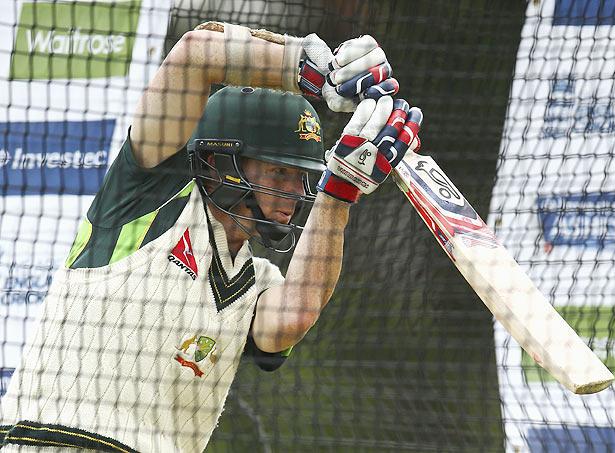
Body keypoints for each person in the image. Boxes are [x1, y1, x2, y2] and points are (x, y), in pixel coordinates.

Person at [0, 22, 422, 452]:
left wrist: (340, 190)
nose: (296, 193)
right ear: (221, 161)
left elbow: (293, 317)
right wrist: (312, 69)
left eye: (304, 178)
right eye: (279, 171)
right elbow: (197, 55)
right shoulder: (148, 195)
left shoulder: (257, 280)